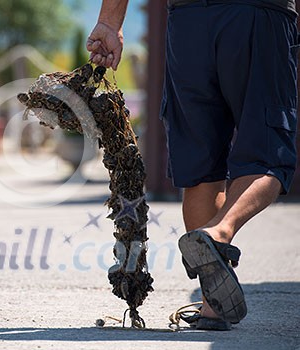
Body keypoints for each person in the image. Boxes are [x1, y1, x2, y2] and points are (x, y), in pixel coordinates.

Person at [88, 0, 298, 331]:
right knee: (269, 155)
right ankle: (219, 233)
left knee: (202, 169)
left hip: (189, 23)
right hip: (258, 14)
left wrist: (109, 23)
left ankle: (213, 307)